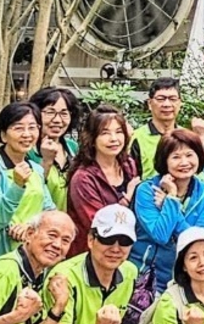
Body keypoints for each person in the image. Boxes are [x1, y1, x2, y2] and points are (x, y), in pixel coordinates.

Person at [132, 128, 204, 293]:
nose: (184, 162)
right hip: (145, 278)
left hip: (185, 278)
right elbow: (160, 235)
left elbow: (197, 241)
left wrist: (170, 202)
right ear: (164, 160)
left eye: (189, 155)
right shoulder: (147, 190)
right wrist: (172, 198)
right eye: (176, 157)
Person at [0, 102, 56, 263]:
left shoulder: (36, 169)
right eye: (18, 128)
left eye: (32, 127)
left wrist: (30, 226)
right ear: (3, 135)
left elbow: (50, 211)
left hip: (33, 254)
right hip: (0, 256)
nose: (27, 134)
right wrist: (17, 186)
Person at [66, 105, 140, 256]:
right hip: (91, 254)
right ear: (92, 139)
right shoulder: (83, 178)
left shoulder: (128, 164)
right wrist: (127, 198)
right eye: (105, 133)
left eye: (119, 132)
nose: (114, 139)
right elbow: (99, 224)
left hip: (126, 249)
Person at [28, 86, 83, 212]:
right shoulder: (27, 150)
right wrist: (46, 161)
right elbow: (30, 192)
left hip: (70, 221)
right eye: (50, 112)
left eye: (64, 113)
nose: (57, 120)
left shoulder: (73, 147)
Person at [130, 78, 182, 179]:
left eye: (172, 99)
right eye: (161, 99)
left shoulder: (186, 136)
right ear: (150, 103)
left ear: (180, 103)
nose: (167, 104)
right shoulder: (135, 138)